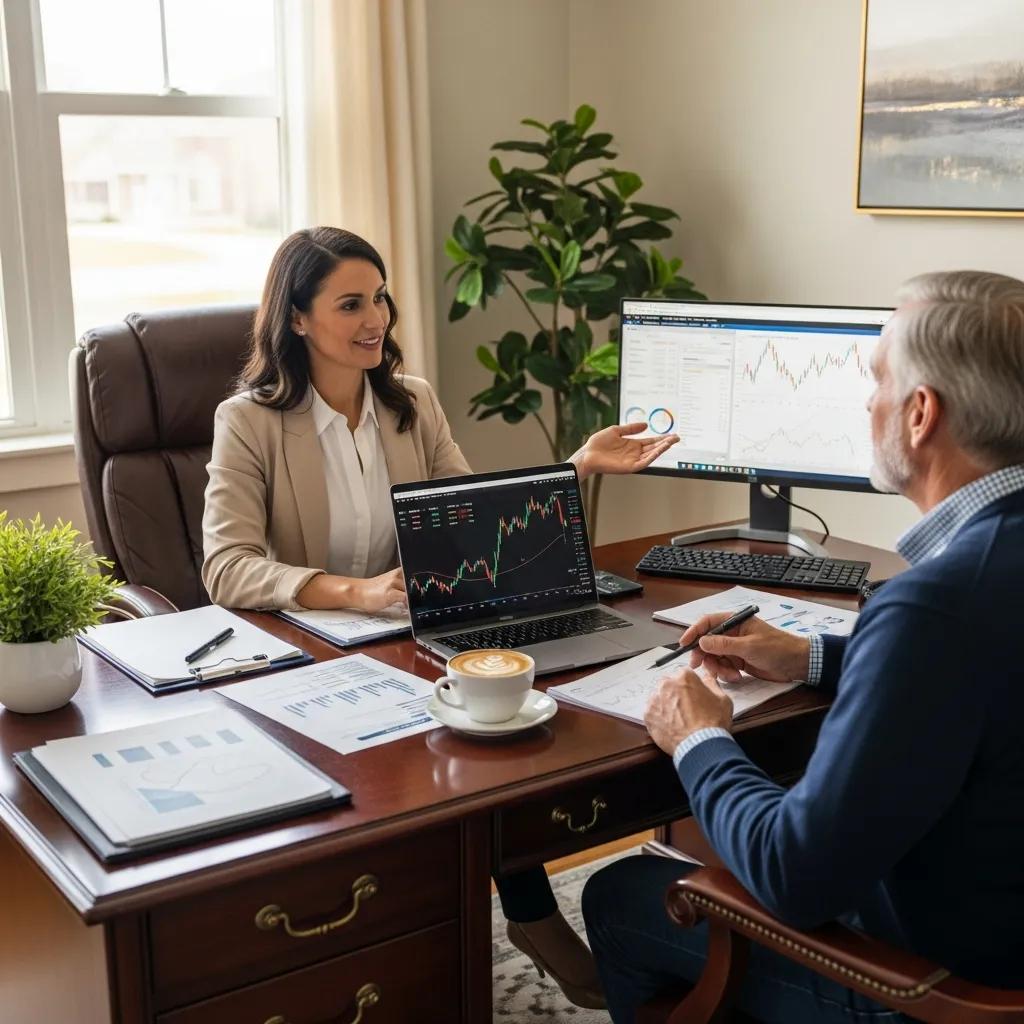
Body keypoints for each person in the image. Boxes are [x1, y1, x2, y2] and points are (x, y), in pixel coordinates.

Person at [201, 226, 679, 1010]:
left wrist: (577, 466)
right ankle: (459, 933)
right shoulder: (249, 421)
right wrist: (355, 592)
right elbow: (226, 567)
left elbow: (472, 523)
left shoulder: (410, 402)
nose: (375, 319)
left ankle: (524, 915)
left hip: (410, 640)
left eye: (380, 298)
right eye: (350, 304)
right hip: (311, 657)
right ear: (296, 319)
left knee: (500, 736)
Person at [582, 269, 1024, 1022]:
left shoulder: (934, 607)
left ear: (921, 414)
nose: (866, 403)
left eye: (877, 381)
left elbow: (793, 873)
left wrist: (697, 738)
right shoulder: (972, 590)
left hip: (936, 994)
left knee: (622, 894)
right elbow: (986, 670)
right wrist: (806, 656)